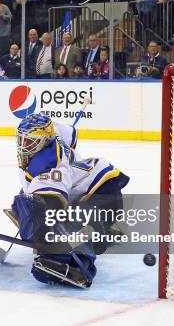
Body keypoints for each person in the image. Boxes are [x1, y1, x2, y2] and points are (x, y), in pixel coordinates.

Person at [10, 113, 129, 288]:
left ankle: (83, 262)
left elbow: (51, 212)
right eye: (22, 140)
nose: (23, 145)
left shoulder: (50, 168)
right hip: (95, 188)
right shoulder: (53, 132)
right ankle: (104, 230)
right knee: (31, 200)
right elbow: (71, 134)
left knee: (72, 223)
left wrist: (41, 236)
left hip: (104, 196)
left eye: (30, 141)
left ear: (43, 141)